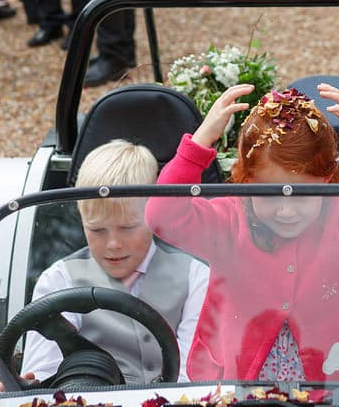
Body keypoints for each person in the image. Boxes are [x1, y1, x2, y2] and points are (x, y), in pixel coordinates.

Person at [146, 84, 339, 383]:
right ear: (247, 181)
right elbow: (161, 215)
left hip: (334, 390)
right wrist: (200, 142)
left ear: (326, 181)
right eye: (271, 194)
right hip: (240, 388)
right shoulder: (229, 221)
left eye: (301, 195)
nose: (287, 212)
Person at [21, 139, 209, 384]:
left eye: (127, 227)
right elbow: (43, 376)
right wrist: (30, 383)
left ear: (154, 215)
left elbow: (194, 376)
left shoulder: (194, 276)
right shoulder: (60, 280)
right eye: (97, 230)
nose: (113, 244)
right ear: (81, 222)